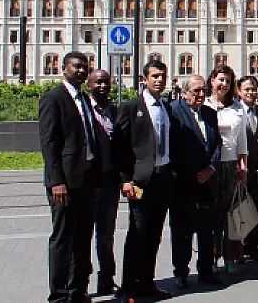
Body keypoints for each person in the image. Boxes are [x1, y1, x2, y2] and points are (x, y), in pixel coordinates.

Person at [39, 52, 100, 303]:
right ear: (64, 69)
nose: (81, 71)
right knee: (62, 238)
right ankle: (59, 295)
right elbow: (49, 143)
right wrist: (56, 182)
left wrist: (95, 180)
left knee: (83, 237)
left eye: (85, 67)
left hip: (86, 180)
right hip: (64, 183)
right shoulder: (53, 99)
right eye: (76, 66)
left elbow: (91, 141)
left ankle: (78, 290)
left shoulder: (84, 99)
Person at [114, 59, 174, 300]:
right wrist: (125, 179)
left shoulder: (166, 107)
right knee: (137, 233)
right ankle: (129, 287)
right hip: (140, 181)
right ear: (144, 80)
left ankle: (147, 283)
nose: (159, 80)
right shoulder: (132, 107)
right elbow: (120, 147)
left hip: (163, 178)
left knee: (154, 235)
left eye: (162, 76)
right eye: (154, 76)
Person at [168, 75, 222, 288]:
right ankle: (181, 271)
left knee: (207, 228)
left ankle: (206, 270)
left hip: (206, 179)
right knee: (182, 231)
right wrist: (190, 172)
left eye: (203, 90)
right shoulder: (173, 111)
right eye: (196, 91)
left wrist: (210, 168)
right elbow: (172, 147)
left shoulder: (209, 113)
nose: (201, 95)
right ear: (184, 92)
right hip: (183, 181)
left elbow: (218, 144)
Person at [206, 66, 249, 272]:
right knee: (212, 214)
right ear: (213, 80)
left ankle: (231, 258)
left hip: (231, 164)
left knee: (231, 213)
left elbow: (242, 141)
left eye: (228, 81)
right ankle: (211, 258)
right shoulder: (204, 105)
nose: (224, 85)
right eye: (221, 80)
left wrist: (243, 167)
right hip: (210, 166)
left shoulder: (237, 108)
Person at [86, 68, 119, 295]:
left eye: (106, 82)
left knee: (106, 235)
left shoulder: (115, 111)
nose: (102, 86)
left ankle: (106, 279)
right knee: (83, 235)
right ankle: (79, 282)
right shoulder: (83, 109)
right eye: (98, 82)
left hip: (110, 181)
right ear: (89, 85)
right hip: (88, 182)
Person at [237, 75, 258, 263]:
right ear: (239, 91)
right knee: (239, 209)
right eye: (247, 89)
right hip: (240, 167)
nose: (250, 93)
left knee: (257, 208)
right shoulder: (233, 112)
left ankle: (253, 247)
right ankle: (237, 250)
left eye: (253, 89)